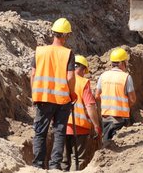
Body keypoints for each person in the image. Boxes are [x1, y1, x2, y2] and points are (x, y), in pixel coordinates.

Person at [31, 17, 77, 170]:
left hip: (42, 98)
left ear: (53, 33)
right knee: (59, 132)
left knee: (40, 132)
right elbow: (70, 77)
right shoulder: (68, 53)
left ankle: (37, 165)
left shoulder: (40, 51)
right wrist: (72, 94)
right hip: (62, 99)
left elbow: (32, 75)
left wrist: (35, 94)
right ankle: (54, 166)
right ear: (65, 35)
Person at [64, 55, 101, 171]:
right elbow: (90, 105)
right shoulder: (83, 82)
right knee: (77, 159)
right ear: (83, 69)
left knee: (63, 158)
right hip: (79, 127)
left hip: (62, 125)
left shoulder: (62, 79)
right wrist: (96, 125)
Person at [95, 47, 137, 147]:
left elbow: (97, 96)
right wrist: (125, 107)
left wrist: (108, 104)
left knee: (107, 143)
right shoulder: (126, 77)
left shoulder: (103, 75)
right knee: (119, 145)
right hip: (120, 118)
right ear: (122, 63)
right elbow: (132, 99)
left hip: (106, 116)